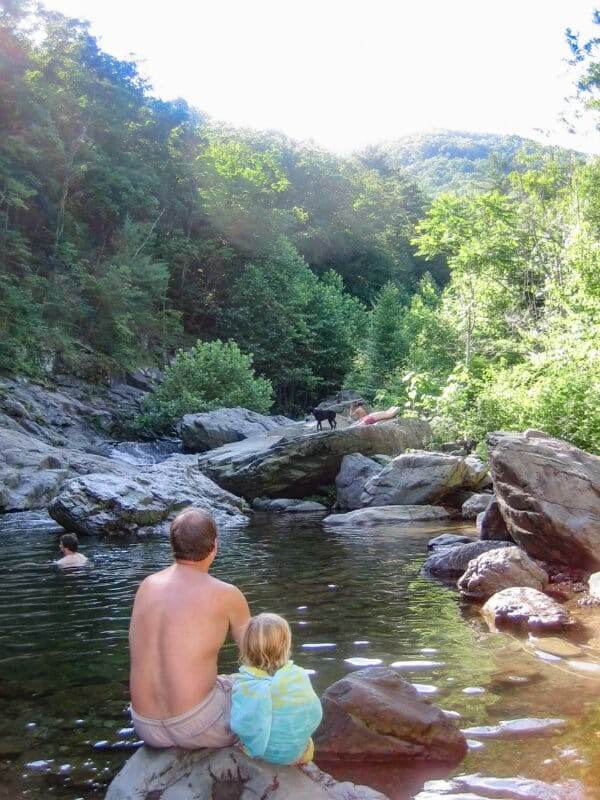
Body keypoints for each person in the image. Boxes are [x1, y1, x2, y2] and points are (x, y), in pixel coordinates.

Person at [128, 507, 250, 749]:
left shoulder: (147, 586)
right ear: (215, 545)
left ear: (172, 545)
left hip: (145, 725)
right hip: (198, 726)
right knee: (253, 685)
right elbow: (258, 658)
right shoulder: (227, 594)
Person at [230, 613, 322, 765]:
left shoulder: (245, 683)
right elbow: (313, 713)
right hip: (296, 755)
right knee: (309, 741)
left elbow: (242, 724)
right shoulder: (297, 676)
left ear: (246, 647)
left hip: (261, 754)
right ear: (286, 645)